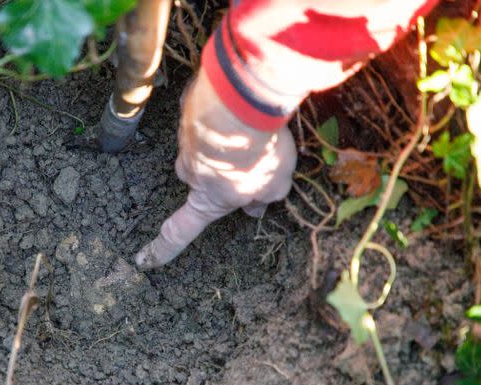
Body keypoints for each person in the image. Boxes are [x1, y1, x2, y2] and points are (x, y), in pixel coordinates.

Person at [135, 0, 440, 269]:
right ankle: (155, 253)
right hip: (249, 101)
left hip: (221, 62)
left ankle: (198, 171)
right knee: (244, 187)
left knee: (198, 144)